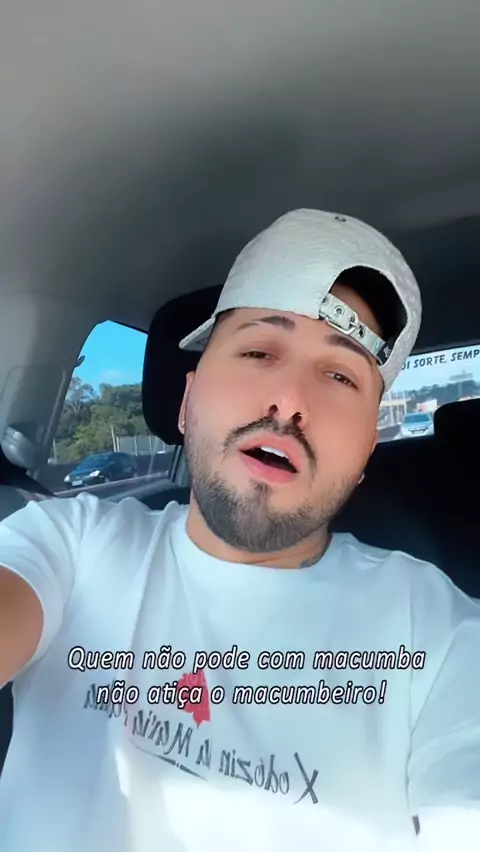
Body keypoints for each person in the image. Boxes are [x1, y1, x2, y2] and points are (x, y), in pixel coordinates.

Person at [0, 209, 478, 852]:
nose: (291, 400)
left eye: (340, 376)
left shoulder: (442, 637)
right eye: (258, 352)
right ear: (187, 401)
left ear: (368, 448)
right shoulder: (68, 543)